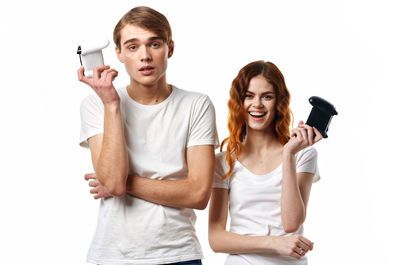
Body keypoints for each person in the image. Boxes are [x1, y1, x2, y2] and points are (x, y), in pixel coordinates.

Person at [78, 6, 218, 265]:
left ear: (170, 49)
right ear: (118, 53)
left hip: (179, 254)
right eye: (132, 47)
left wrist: (122, 183)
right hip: (114, 255)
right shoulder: (96, 104)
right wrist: (111, 105)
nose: (145, 56)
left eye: (154, 44)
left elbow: (198, 194)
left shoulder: (197, 105)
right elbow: (113, 184)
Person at [208, 61, 323, 265]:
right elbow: (216, 239)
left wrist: (288, 154)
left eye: (267, 96)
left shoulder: (303, 155)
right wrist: (273, 243)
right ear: (238, 102)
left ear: (279, 102)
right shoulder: (224, 161)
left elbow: (291, 223)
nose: (257, 104)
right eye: (249, 96)